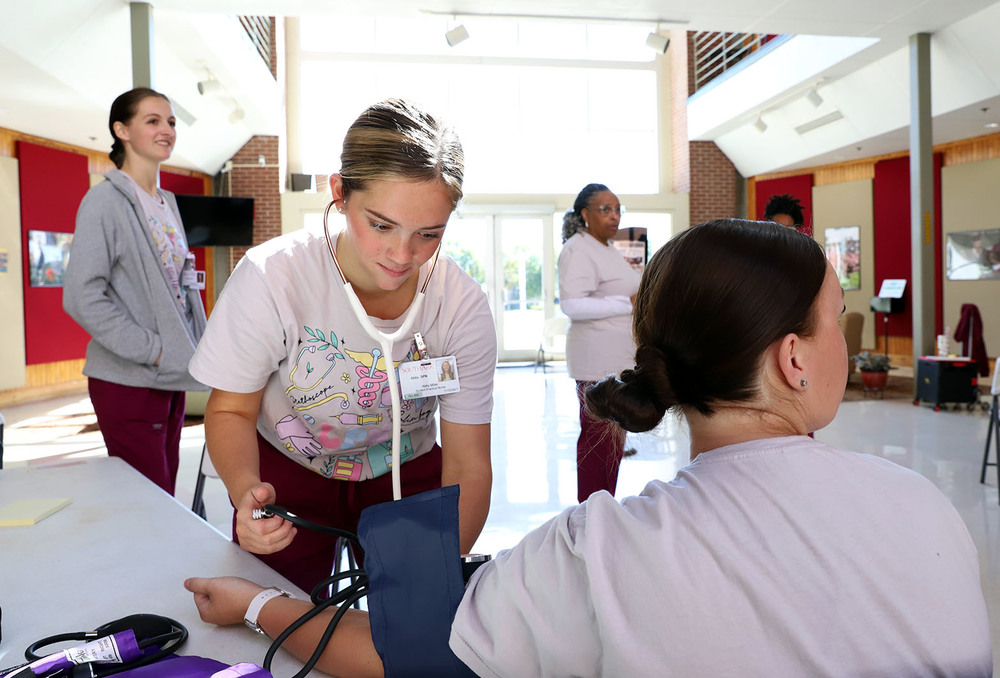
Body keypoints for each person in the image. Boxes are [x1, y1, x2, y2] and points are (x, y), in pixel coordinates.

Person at [186, 218, 991, 677]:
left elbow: (408, 657)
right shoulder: (923, 508)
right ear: (793, 356)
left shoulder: (595, 551)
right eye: (833, 318)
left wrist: (254, 604)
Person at [187, 99, 497, 592]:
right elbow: (231, 412)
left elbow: (468, 462)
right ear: (339, 193)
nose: (402, 255)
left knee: (413, 620)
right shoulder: (273, 277)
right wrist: (245, 490)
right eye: (381, 224)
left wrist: (440, 566)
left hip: (405, 470)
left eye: (429, 234)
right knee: (276, 614)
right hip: (286, 472)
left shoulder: (460, 305)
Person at [63, 87, 207, 495]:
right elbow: (81, 295)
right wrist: (154, 349)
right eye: (153, 120)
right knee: (149, 500)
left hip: (172, 376)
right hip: (130, 380)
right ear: (121, 130)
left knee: (165, 497)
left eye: (172, 122)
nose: (167, 130)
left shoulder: (165, 203)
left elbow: (180, 288)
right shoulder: (104, 202)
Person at [558, 183, 641, 502]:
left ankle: (606, 505)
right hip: (595, 361)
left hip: (618, 359)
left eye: (618, 209)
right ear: (584, 214)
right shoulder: (578, 249)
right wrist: (628, 303)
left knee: (614, 440)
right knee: (597, 440)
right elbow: (573, 305)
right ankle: (590, 512)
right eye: (605, 209)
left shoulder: (608, 248)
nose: (615, 216)